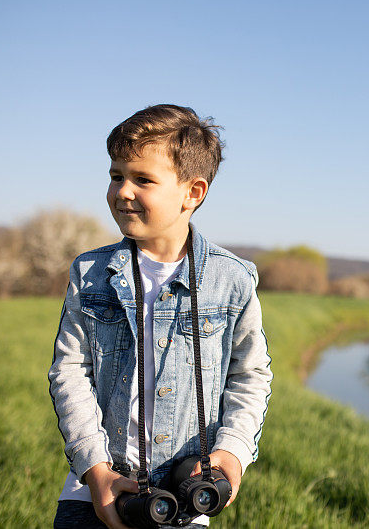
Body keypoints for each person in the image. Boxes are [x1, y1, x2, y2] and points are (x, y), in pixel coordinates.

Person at [48, 104, 272, 529]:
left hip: (182, 501)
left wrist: (234, 453)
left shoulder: (232, 280)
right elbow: (70, 371)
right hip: (96, 489)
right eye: (116, 176)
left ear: (193, 192)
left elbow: (251, 376)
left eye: (142, 179)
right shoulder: (91, 274)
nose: (123, 191)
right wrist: (96, 470)